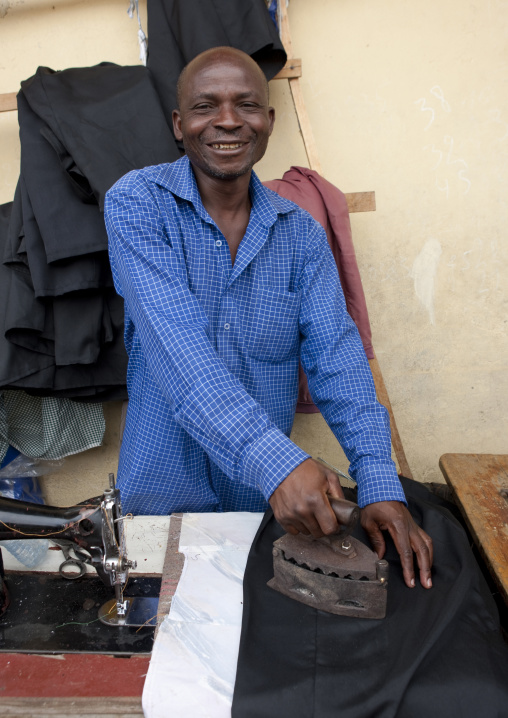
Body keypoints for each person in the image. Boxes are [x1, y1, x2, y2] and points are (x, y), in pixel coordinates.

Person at [105, 46, 433, 590]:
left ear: (269, 122)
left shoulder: (300, 235)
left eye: (247, 105)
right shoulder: (138, 203)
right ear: (179, 123)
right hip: (163, 503)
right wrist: (278, 463)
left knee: (256, 651)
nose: (228, 120)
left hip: (265, 512)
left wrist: (379, 483)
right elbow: (177, 348)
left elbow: (338, 358)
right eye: (207, 105)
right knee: (161, 659)